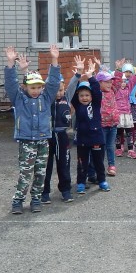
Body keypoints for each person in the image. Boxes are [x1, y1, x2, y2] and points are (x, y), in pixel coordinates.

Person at [3, 44, 61, 214]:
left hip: (43, 140)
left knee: (40, 172)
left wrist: (55, 60)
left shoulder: (46, 97)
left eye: (38, 87)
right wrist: (10, 63)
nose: (35, 90)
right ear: (25, 87)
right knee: (25, 173)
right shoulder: (19, 98)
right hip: (27, 141)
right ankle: (18, 201)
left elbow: (54, 82)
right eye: (32, 87)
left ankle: (36, 199)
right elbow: (10, 84)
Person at [70, 56, 111, 194]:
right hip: (82, 140)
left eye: (87, 95)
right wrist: (78, 75)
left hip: (96, 138)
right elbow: (72, 92)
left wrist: (90, 76)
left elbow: (97, 90)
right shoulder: (77, 105)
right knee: (82, 162)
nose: (84, 98)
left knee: (98, 162)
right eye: (81, 95)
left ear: (91, 96)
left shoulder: (96, 103)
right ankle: (81, 182)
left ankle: (102, 181)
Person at [43, 70, 78, 204]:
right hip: (46, 135)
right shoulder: (45, 99)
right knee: (45, 166)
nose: (58, 93)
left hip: (62, 136)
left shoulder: (66, 98)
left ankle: (65, 190)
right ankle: (44, 192)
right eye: (55, 90)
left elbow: (72, 86)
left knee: (64, 164)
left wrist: (78, 74)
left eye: (61, 90)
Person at [113, 60, 136, 159]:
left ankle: (130, 150)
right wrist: (118, 69)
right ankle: (118, 148)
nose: (123, 83)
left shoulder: (128, 89)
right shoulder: (115, 90)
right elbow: (116, 79)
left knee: (129, 132)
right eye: (122, 81)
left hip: (127, 114)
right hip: (118, 114)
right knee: (119, 132)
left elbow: (133, 81)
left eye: (125, 81)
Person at [98, 68, 120, 176]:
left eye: (110, 82)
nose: (109, 84)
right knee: (101, 147)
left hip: (113, 124)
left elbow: (118, 82)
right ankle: (99, 166)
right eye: (106, 82)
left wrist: (118, 69)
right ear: (99, 82)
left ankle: (111, 165)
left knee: (110, 146)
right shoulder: (98, 93)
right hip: (102, 125)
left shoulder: (113, 91)